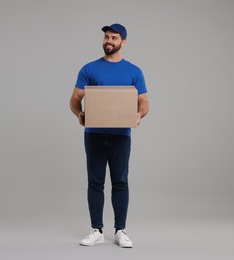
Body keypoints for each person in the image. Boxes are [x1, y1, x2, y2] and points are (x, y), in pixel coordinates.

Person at [69, 23, 149, 248]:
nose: (109, 41)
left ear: (123, 42)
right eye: (106, 37)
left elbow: (144, 102)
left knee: (120, 182)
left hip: (121, 135)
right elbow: (75, 98)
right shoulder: (89, 69)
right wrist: (79, 112)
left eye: (114, 38)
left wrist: (139, 115)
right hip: (94, 134)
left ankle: (120, 230)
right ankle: (97, 230)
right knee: (95, 182)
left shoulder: (134, 71)